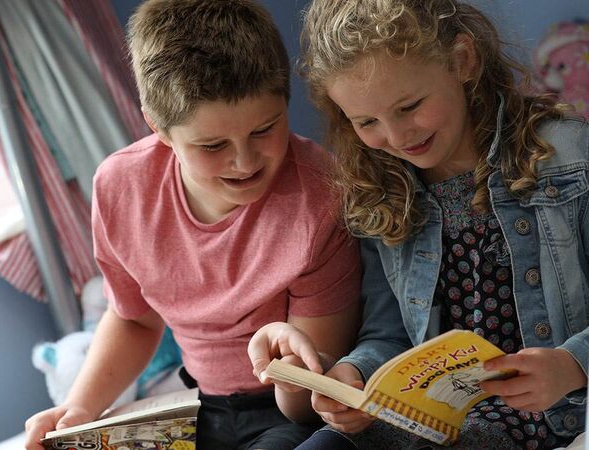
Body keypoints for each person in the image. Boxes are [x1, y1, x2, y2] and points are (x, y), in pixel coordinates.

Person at [248, 0, 588, 449]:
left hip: (547, 416)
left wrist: (572, 364)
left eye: (409, 106)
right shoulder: (381, 193)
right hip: (426, 423)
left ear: (462, 61)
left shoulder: (569, 158)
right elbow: (388, 333)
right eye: (367, 121)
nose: (396, 136)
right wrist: (353, 376)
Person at [23, 1, 363, 449]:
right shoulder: (121, 186)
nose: (244, 162)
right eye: (213, 144)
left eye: (265, 129)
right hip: (201, 405)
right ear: (158, 127)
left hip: (292, 412)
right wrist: (80, 409)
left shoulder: (320, 195)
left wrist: (293, 368)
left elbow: (308, 399)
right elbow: (134, 320)